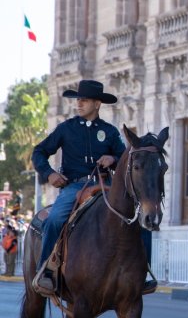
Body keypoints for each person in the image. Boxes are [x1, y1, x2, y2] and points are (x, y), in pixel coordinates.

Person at [31, 80, 156, 295]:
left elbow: (125, 158)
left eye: (84, 100)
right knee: (54, 220)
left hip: (106, 185)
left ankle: (143, 272)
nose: (79, 104)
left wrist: (113, 158)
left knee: (140, 221)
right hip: (75, 186)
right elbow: (39, 151)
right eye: (78, 100)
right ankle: (46, 272)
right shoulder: (66, 129)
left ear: (97, 104)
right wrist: (49, 173)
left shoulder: (109, 131)